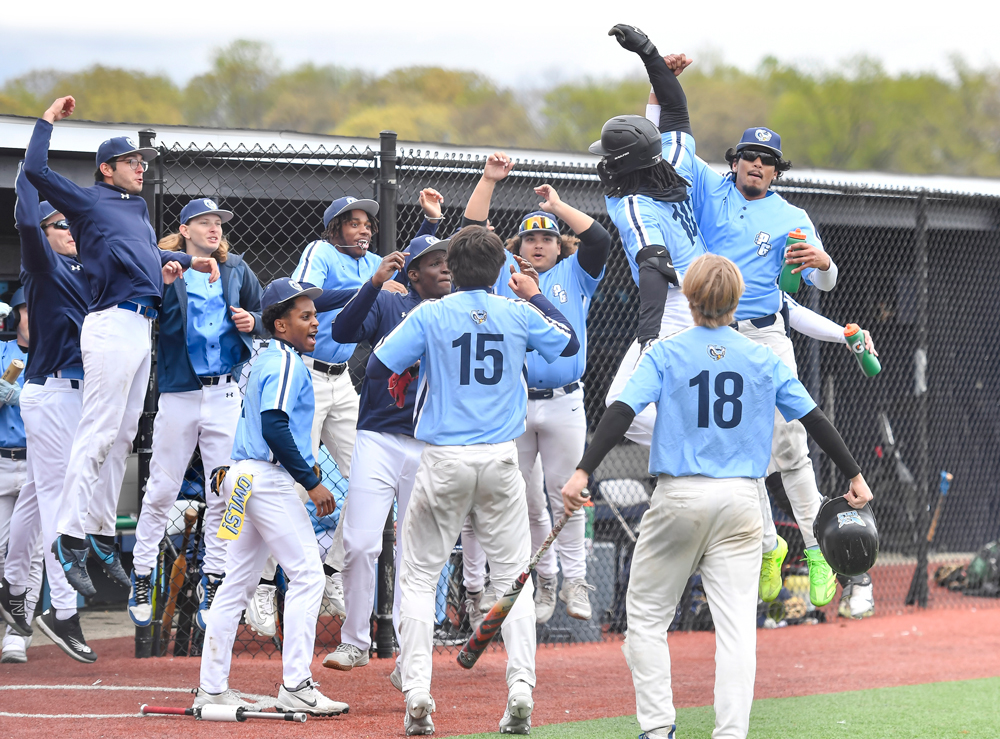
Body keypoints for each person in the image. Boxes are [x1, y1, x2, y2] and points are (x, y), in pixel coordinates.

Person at [561, 253, 873, 739]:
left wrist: (583, 470)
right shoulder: (763, 357)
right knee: (736, 631)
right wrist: (854, 474)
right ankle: (730, 733)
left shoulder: (665, 350)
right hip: (742, 503)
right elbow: (813, 419)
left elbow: (621, 411)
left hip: (679, 497)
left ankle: (659, 727)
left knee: (645, 619)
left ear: (688, 297)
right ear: (738, 300)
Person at [611, 25, 842, 607]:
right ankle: (768, 545)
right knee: (743, 450)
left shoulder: (793, 214)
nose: (757, 165)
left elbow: (819, 282)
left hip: (765, 334)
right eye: (749, 156)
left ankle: (815, 548)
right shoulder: (711, 189)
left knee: (790, 445)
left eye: (767, 160)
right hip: (711, 329)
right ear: (735, 160)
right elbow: (662, 148)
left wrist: (825, 264)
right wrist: (658, 90)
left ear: (777, 169)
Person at [369, 225, 579, 736]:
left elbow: (378, 366)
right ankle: (521, 690)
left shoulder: (432, 312)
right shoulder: (516, 309)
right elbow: (567, 342)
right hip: (502, 458)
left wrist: (418, 373)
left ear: (452, 271)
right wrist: (532, 295)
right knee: (513, 581)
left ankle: (418, 689)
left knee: (418, 578)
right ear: (500, 269)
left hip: (443, 457)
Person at [23, 96, 219, 597]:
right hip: (111, 324)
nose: (140, 167)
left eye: (142, 162)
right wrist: (47, 120)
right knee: (101, 428)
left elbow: (141, 255)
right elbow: (36, 168)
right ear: (107, 169)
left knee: (125, 435)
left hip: (140, 326)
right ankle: (69, 538)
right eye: (131, 162)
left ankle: (102, 534)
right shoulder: (89, 199)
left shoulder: (136, 208)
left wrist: (174, 266)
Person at [196, 278, 348, 716]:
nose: (315, 322)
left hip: (242, 480)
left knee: (237, 582)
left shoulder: (269, 357)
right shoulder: (284, 360)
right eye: (305, 316)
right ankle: (297, 684)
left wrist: (304, 468)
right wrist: (311, 479)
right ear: (280, 325)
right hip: (265, 479)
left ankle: (211, 687)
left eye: (315, 314)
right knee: (308, 575)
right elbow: (274, 425)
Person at [290, 190, 442, 617]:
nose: (362, 229)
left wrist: (429, 224)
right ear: (335, 229)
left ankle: (331, 570)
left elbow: (410, 266)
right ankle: (266, 581)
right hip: (307, 372)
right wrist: (369, 284)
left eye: (366, 224)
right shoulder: (320, 250)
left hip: (342, 383)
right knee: (290, 479)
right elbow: (304, 296)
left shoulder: (370, 260)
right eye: (352, 223)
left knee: (364, 485)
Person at [320, 235, 452, 690]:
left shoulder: (456, 310)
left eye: (447, 262)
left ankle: (407, 656)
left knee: (416, 554)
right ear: (411, 273)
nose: (444, 269)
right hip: (377, 434)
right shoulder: (390, 300)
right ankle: (355, 641)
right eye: (434, 263)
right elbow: (340, 332)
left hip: (429, 443)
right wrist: (374, 285)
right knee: (359, 542)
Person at [128, 198, 265, 630]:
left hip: (224, 395)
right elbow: (145, 314)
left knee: (225, 491)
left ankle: (215, 576)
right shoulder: (168, 268)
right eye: (204, 223)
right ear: (185, 230)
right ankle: (143, 571)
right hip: (181, 396)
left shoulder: (237, 268)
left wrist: (253, 320)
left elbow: (267, 313)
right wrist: (165, 285)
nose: (214, 229)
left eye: (218, 223)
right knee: (163, 488)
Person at [0, 163, 102, 664]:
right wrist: (38, 145)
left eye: (72, 223)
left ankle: (14, 588)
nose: (72, 230)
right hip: (53, 390)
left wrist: (180, 263)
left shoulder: (88, 269)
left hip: (78, 394)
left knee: (40, 495)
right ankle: (61, 610)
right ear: (44, 232)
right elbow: (25, 211)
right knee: (62, 499)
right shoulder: (43, 262)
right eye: (62, 223)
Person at [500, 187, 611, 624]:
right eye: (530, 238)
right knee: (521, 497)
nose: (539, 243)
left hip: (565, 400)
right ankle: (544, 578)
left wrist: (557, 207)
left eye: (547, 237)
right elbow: (468, 237)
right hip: (517, 401)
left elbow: (599, 240)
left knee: (567, 494)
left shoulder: (574, 272)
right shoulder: (503, 274)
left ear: (559, 244)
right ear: (519, 246)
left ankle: (576, 580)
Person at [0, 289, 43, 664]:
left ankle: (18, 633)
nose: (35, 316)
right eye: (28, 309)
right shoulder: (1, 352)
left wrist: (24, 395)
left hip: (39, 462)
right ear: (17, 315)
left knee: (31, 553)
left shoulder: (59, 354)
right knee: (2, 551)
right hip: (2, 460)